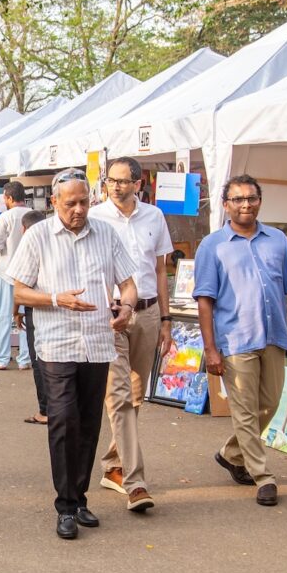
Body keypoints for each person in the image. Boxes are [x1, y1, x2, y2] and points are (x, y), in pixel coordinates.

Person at [7, 169, 138, 541]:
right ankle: (65, 505)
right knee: (63, 421)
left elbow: (128, 283)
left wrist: (126, 308)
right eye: (70, 204)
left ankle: (80, 497)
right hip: (55, 344)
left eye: (84, 202)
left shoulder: (106, 234)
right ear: (54, 203)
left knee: (88, 423)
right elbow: (18, 292)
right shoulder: (37, 237)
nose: (78, 210)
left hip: (97, 344)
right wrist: (55, 299)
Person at [193, 174, 287, 507]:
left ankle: (230, 453)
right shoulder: (213, 246)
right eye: (237, 199)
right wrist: (210, 349)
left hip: (273, 335)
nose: (245, 204)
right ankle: (263, 476)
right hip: (235, 340)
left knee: (271, 403)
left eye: (251, 198)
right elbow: (205, 300)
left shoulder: (277, 239)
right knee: (245, 411)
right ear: (225, 205)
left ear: (259, 201)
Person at [89, 157, 173, 512]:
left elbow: (159, 268)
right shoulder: (94, 217)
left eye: (123, 181)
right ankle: (135, 482)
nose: (116, 187)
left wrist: (166, 320)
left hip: (149, 312)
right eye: (111, 181)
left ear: (139, 183)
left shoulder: (154, 217)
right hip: (111, 316)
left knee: (136, 397)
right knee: (119, 395)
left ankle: (112, 465)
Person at [0, 181, 32, 371]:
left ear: (10, 198)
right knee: (24, 316)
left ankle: (3, 357)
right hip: (29, 275)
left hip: (7, 272)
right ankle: (25, 358)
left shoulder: (6, 217)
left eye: (5, 198)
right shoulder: (33, 215)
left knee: (4, 316)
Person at [17, 210, 48, 426]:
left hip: (35, 307)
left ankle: (45, 410)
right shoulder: (55, 241)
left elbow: (20, 286)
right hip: (56, 306)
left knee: (38, 359)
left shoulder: (29, 244)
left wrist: (15, 310)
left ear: (24, 229)